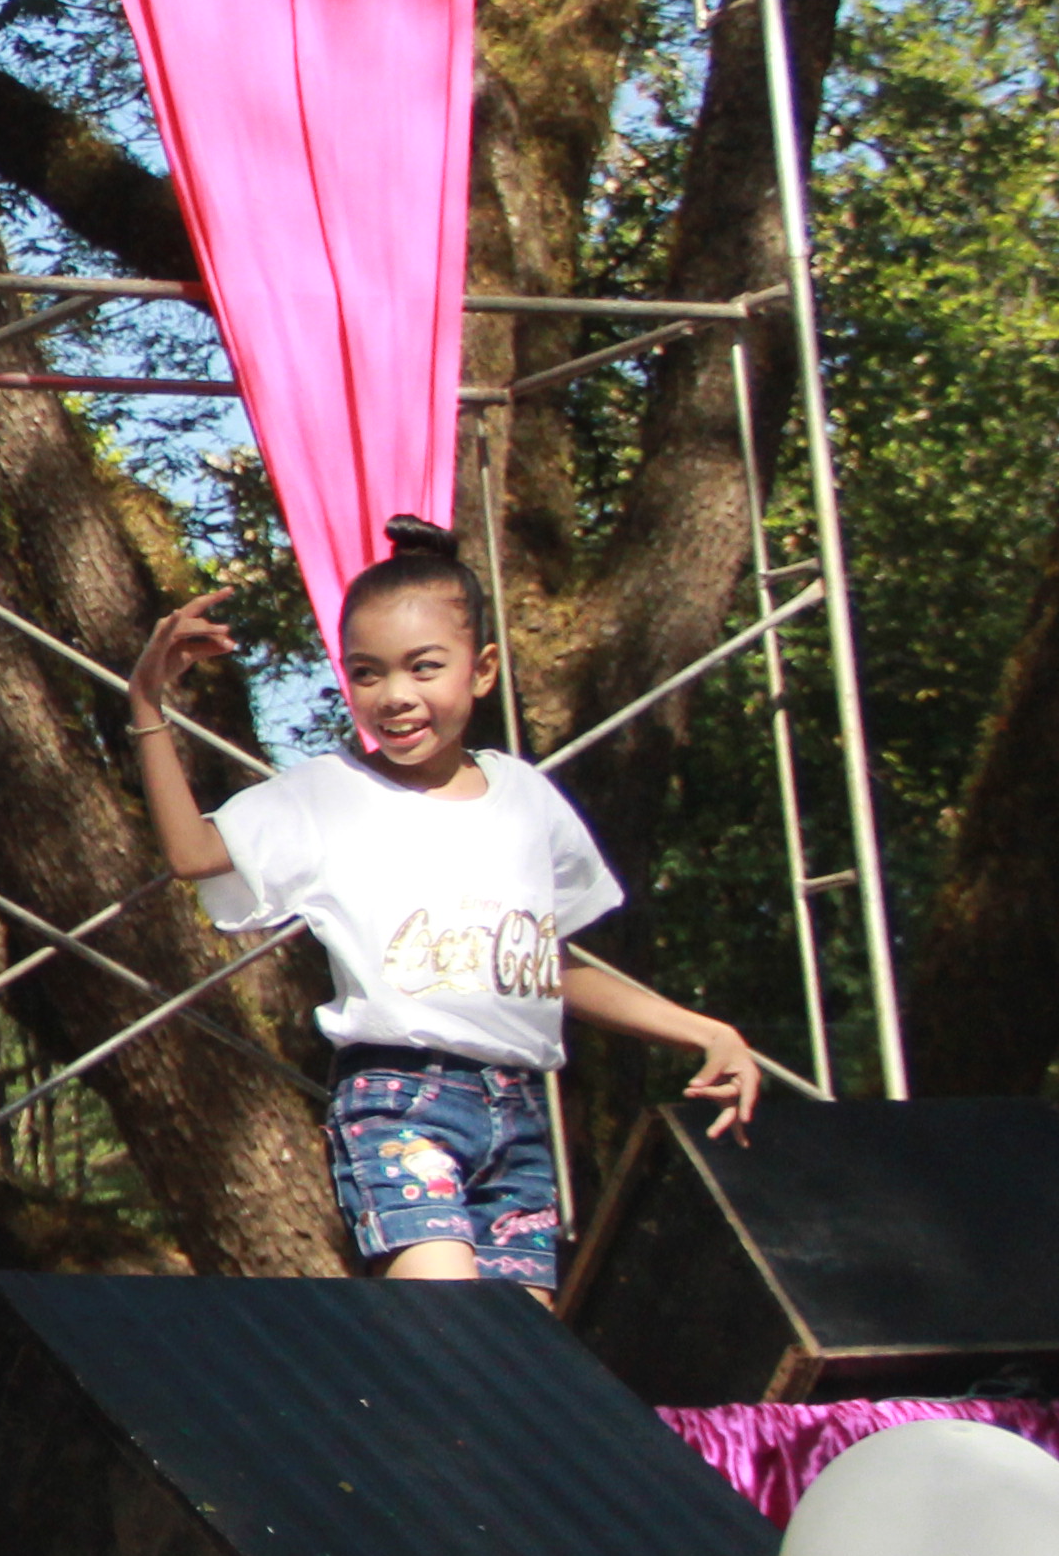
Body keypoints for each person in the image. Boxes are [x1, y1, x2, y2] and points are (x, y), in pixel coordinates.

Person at [129, 518, 756, 1290]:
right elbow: (193, 854)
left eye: (424, 667)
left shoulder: (528, 797)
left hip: (519, 1112)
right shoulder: (326, 794)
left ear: (481, 669)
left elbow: (547, 969)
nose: (395, 696)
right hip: (399, 1102)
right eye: (366, 674)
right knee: (447, 1324)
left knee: (518, 1344)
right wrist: (147, 703)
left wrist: (705, 1031)